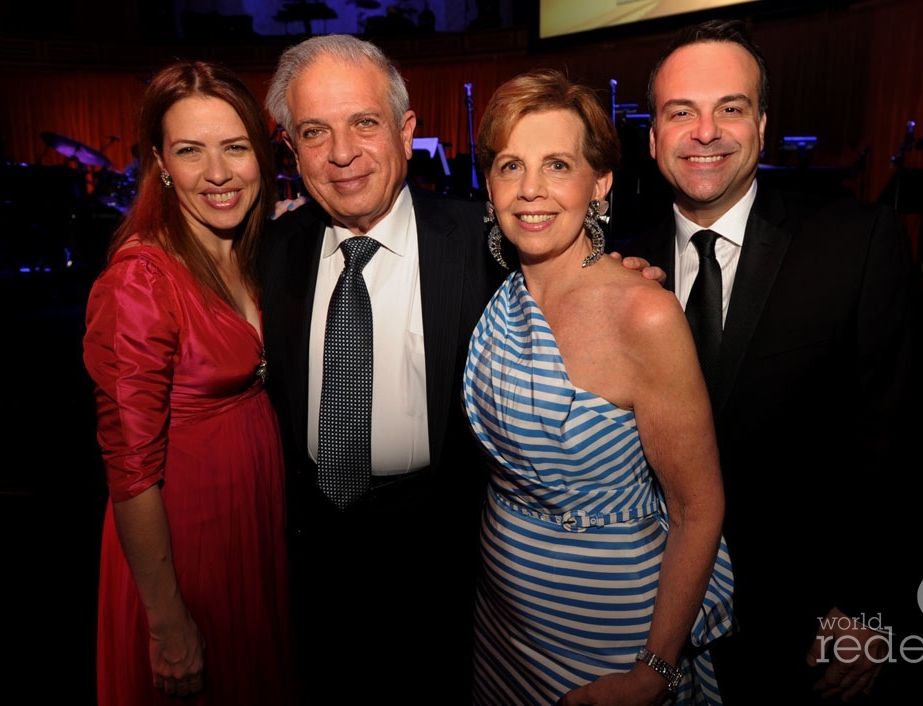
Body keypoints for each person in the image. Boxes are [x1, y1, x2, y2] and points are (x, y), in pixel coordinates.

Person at [630, 19, 923, 703]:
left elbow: (907, 442)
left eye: (730, 109)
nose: (705, 132)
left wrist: (870, 607)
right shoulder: (621, 266)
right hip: (646, 620)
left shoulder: (855, 244)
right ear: (653, 136)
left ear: (763, 126)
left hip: (807, 630)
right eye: (681, 112)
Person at [464, 68, 735, 706]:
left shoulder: (644, 314)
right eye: (510, 166)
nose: (529, 191)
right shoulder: (502, 292)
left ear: (601, 183)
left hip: (607, 635)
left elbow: (698, 509)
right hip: (501, 619)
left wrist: (654, 672)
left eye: (557, 165)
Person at [259, 34, 503, 702]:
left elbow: (584, 273)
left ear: (405, 129)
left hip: (445, 556)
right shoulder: (268, 252)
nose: (341, 154)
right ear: (291, 148)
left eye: (364, 123)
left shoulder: (487, 245)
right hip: (310, 554)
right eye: (315, 131)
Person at [82, 60, 298, 705]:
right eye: (190, 151)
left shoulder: (254, 253)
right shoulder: (140, 282)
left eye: (235, 148)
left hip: (251, 531)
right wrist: (168, 620)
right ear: (160, 163)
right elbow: (132, 471)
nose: (218, 174)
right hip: (183, 550)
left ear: (260, 155)